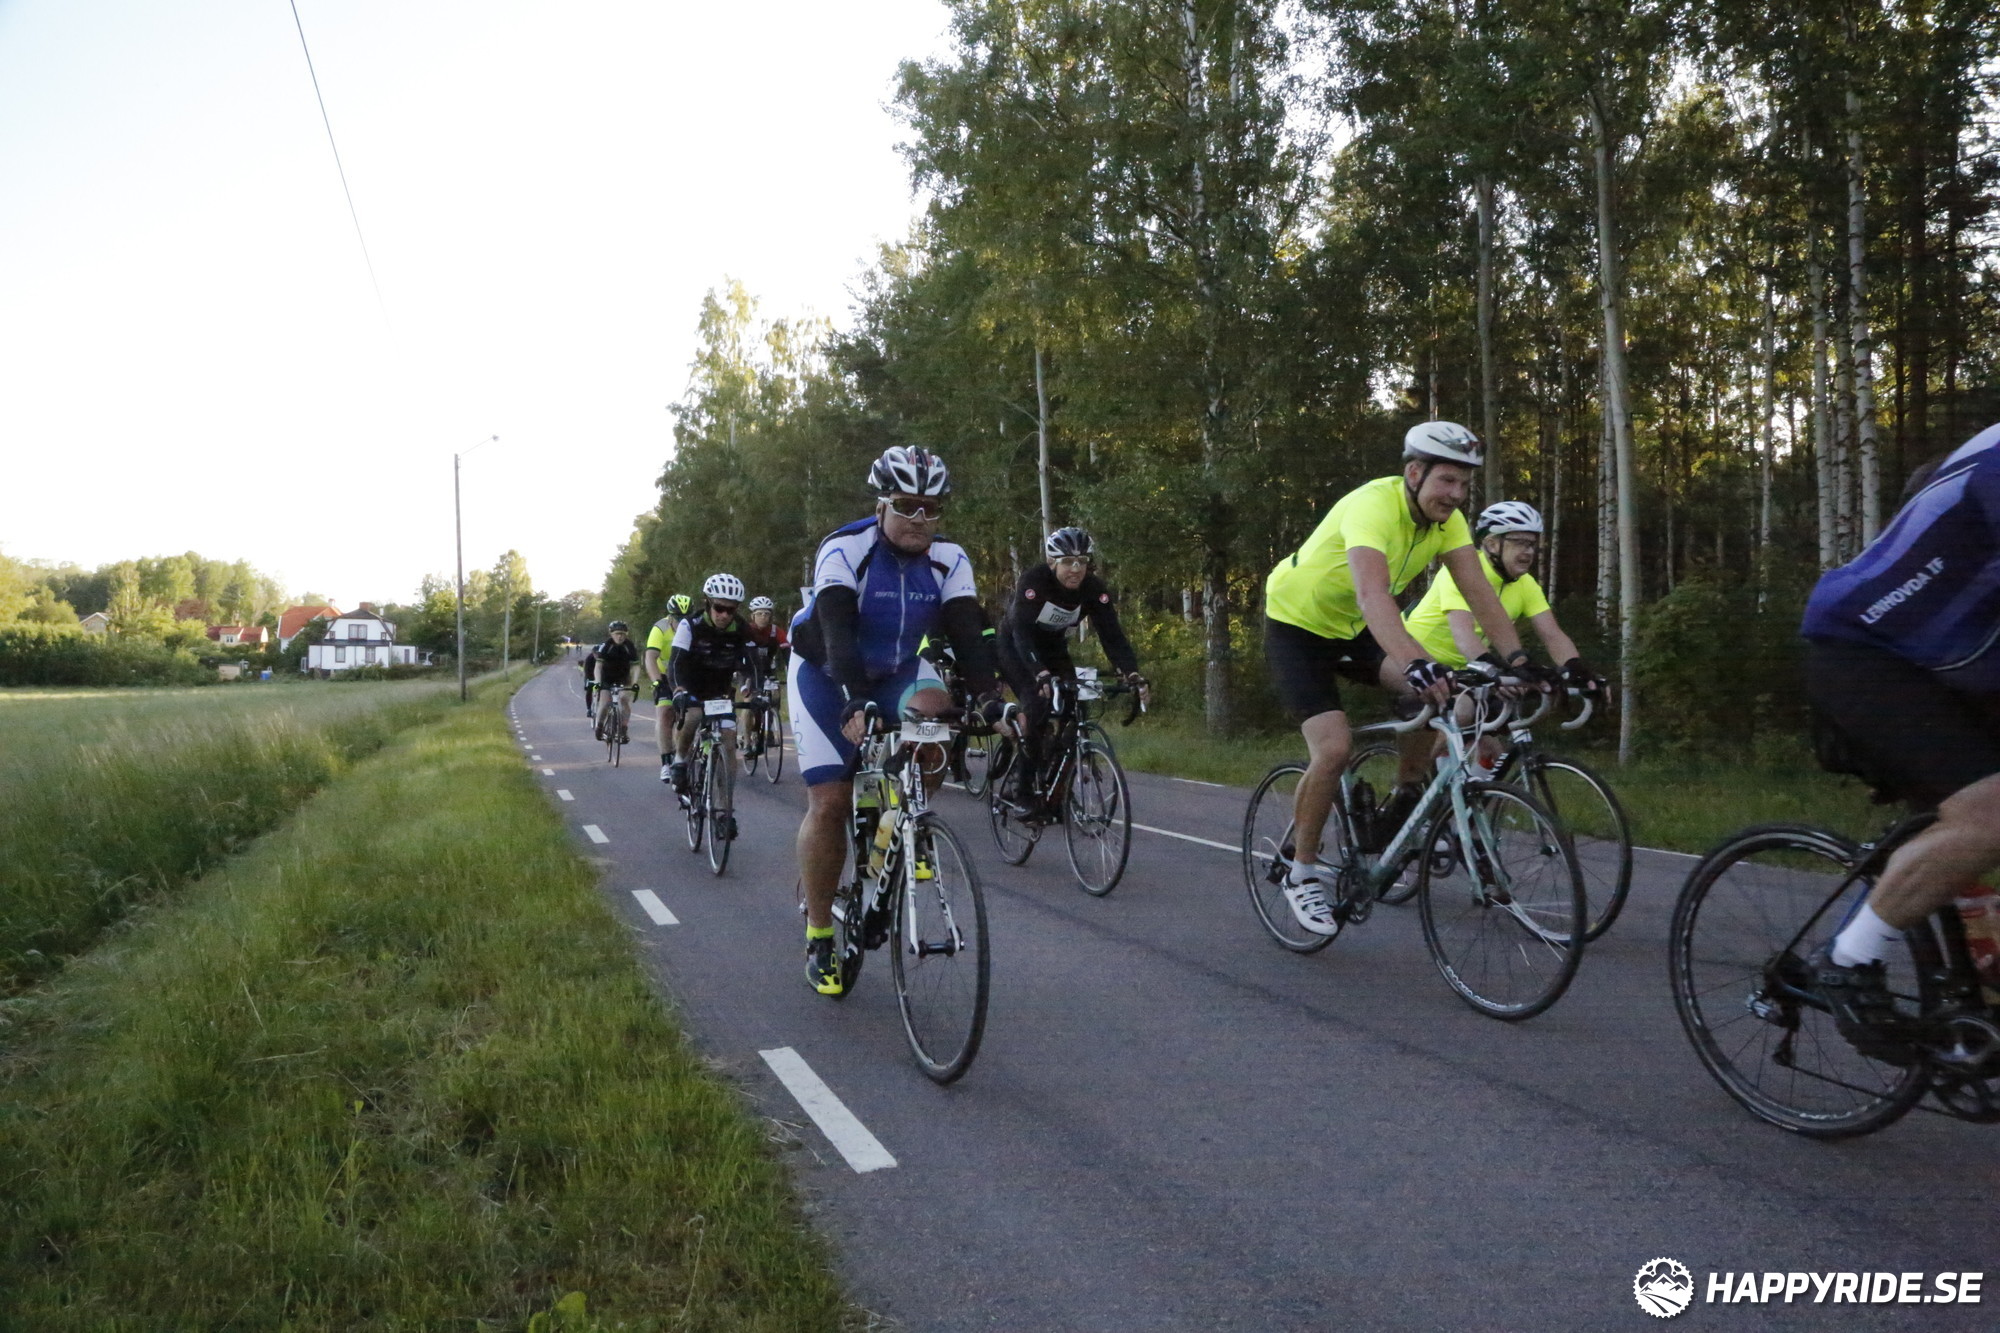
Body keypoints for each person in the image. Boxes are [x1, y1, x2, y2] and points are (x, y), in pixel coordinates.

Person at [1261, 421, 1538, 939]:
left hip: (1352, 629)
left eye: (1464, 484)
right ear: (1414, 473)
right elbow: (1373, 594)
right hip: (1297, 629)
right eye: (1447, 480)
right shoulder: (1373, 506)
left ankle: (1408, 792)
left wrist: (1518, 660)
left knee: (1440, 692)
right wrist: (1414, 660)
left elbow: (1480, 594)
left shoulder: (1448, 524)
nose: (1456, 494)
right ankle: (1301, 872)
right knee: (1334, 749)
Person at [1800, 421, 2000, 1060]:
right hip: (1867, 650)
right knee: (1989, 813)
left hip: (1959, 664)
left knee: (1968, 826)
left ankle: (1977, 977)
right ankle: (1848, 960)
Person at [789, 445, 1000, 996]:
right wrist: (855, 699)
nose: (920, 519)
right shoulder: (845, 548)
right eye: (907, 505)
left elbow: (967, 632)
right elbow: (836, 631)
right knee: (830, 802)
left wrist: (990, 698)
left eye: (932, 508)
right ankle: (819, 934)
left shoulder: (950, 559)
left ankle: (901, 821)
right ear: (881, 504)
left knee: (936, 721)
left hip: (897, 668)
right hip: (826, 671)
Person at [1402, 499, 1603, 763]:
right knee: (1462, 712)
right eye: (1519, 542)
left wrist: (1577, 669)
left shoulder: (1526, 585)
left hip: (1464, 670)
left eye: (1532, 544)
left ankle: (1463, 790)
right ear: (1492, 543)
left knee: (1492, 754)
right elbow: (1464, 636)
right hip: (1415, 658)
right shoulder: (1461, 573)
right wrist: (1498, 672)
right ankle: (1412, 780)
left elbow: (1552, 635)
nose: (1528, 552)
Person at [997, 526, 1148, 818]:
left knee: (1074, 707)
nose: (1076, 569)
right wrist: (1040, 673)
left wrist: (1131, 673)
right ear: (1052, 562)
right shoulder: (1034, 581)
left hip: (1053, 647)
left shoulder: (1093, 589)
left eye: (1082, 561)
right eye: (1067, 562)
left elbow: (1112, 635)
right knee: (1037, 704)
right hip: (1017, 646)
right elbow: (1021, 633)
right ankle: (1022, 789)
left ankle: (1053, 778)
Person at [665, 575, 754, 826]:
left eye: (730, 610)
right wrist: (678, 690)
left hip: (720, 692)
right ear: (708, 603)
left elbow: (752, 664)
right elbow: (675, 663)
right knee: (693, 715)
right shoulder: (690, 625)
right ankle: (680, 761)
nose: (724, 615)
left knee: (728, 743)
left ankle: (725, 811)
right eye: (719, 608)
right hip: (690, 686)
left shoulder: (741, 628)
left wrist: (753, 692)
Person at [644, 593, 698, 784]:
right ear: (670, 617)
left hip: (688, 676)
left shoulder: (696, 626)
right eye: (677, 618)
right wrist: (656, 682)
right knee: (665, 713)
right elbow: (650, 657)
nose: (681, 622)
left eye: (685, 618)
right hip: (665, 677)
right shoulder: (660, 628)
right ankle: (666, 762)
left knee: (694, 712)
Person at [591, 622, 643, 743]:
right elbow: (598, 666)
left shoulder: (629, 646)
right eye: (617, 634)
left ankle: (623, 729)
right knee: (605, 703)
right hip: (606, 678)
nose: (620, 637)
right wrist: (597, 682)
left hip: (623, 678)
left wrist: (634, 683)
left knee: (624, 699)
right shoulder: (606, 646)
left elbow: (636, 666)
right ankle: (600, 726)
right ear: (611, 634)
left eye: (623, 634)